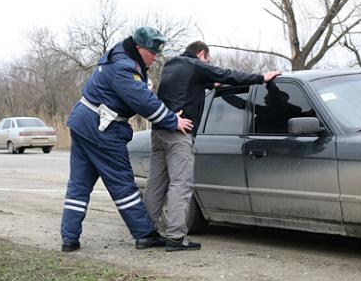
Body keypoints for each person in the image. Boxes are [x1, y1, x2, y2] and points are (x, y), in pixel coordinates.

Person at [60, 27, 193, 252]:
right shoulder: (124, 68)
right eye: (151, 52)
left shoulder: (118, 58)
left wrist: (144, 85)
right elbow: (144, 102)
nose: (155, 57)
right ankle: (144, 234)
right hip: (101, 128)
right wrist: (173, 121)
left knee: (79, 185)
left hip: (84, 123)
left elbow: (134, 93)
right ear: (139, 47)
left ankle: (69, 238)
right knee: (123, 185)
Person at [143, 41, 281, 251]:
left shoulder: (171, 65)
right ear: (202, 54)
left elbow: (186, 88)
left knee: (156, 183)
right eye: (208, 60)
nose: (208, 63)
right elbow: (227, 74)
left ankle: (146, 234)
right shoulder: (196, 65)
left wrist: (209, 84)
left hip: (159, 131)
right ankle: (176, 237)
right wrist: (261, 78)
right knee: (181, 184)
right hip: (180, 132)